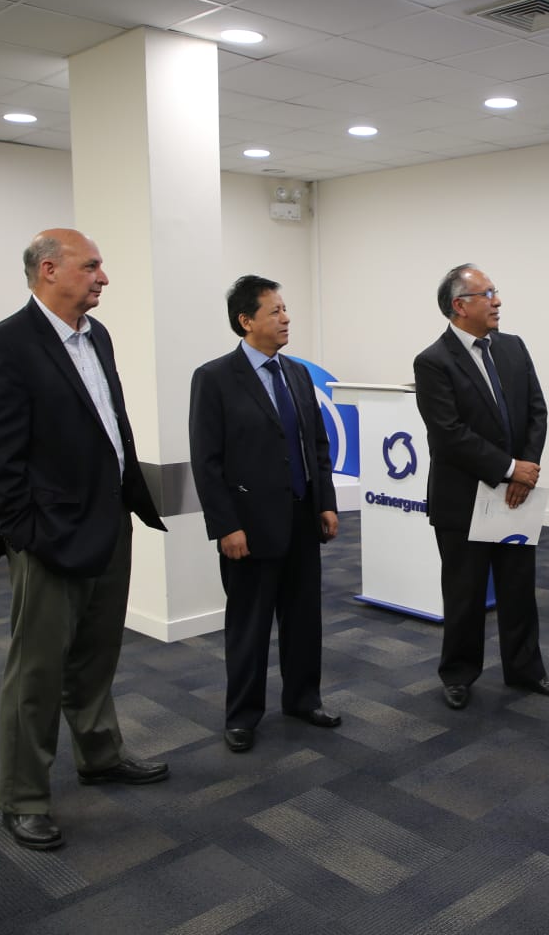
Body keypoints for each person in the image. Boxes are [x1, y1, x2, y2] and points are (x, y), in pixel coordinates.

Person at [0, 229, 168, 851]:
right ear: (49, 270)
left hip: (109, 521)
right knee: (36, 673)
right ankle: (24, 797)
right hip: (49, 538)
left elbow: (109, 425)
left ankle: (100, 754)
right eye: (92, 266)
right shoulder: (6, 344)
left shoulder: (96, 336)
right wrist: (26, 534)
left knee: (96, 654)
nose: (103, 277)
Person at [189, 275, 341, 755]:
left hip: (301, 518)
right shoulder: (214, 378)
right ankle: (242, 716)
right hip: (249, 527)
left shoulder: (297, 373)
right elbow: (206, 461)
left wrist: (325, 502)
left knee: (303, 619)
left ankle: (303, 699)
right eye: (275, 311)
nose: (286, 318)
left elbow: (317, 445)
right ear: (246, 320)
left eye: (285, 309)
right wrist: (226, 526)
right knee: (249, 627)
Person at [413, 263, 549, 710]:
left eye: (495, 292)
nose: (497, 301)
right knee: (464, 593)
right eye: (487, 294)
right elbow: (448, 434)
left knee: (518, 588)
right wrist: (509, 469)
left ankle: (525, 670)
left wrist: (526, 469)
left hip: (515, 494)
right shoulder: (433, 361)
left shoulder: (513, 347)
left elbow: (537, 411)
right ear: (460, 306)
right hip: (462, 497)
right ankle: (458, 674)